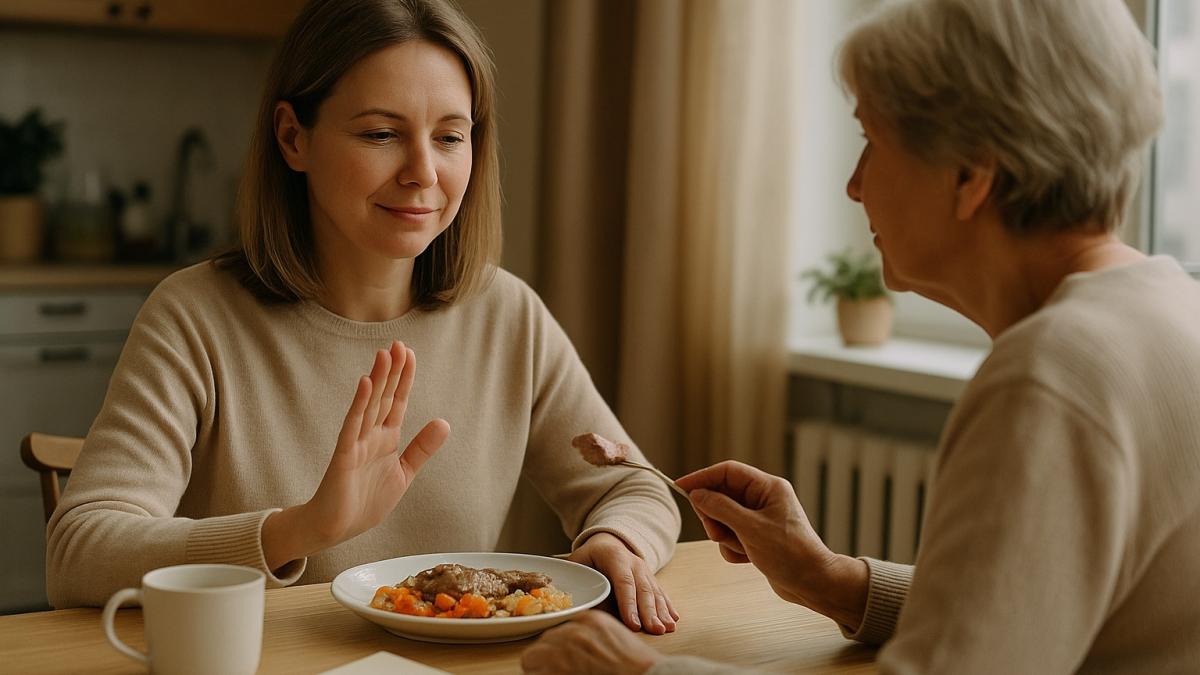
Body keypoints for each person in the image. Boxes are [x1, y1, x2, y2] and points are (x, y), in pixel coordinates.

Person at [520, 0, 1200, 671]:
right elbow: (1032, 614)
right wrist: (830, 579)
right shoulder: (1169, 308)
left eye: (871, 140)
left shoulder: (1053, 377)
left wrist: (642, 672)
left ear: (971, 173)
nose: (852, 185)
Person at [46, 0, 681, 635]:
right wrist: (303, 528)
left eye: (450, 137)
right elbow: (79, 550)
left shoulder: (507, 315)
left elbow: (635, 490)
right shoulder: (194, 317)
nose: (423, 173)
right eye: (381, 134)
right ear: (294, 137)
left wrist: (617, 543)